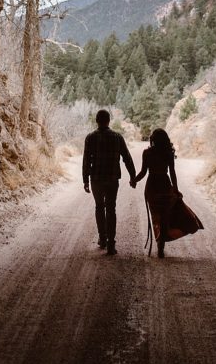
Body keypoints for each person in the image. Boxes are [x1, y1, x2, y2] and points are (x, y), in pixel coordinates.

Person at [135, 128, 203, 258]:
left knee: (156, 216)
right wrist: (176, 189)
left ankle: (160, 241)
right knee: (165, 216)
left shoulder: (147, 153)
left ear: (153, 140)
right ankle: (161, 247)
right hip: (165, 185)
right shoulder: (168, 153)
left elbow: (143, 172)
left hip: (152, 186)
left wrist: (134, 180)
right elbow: (172, 173)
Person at [83, 109, 136, 256]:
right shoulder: (117, 137)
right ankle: (111, 244)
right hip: (112, 179)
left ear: (97, 121)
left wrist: (85, 180)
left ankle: (102, 238)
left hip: (96, 179)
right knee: (111, 208)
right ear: (109, 120)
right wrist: (133, 176)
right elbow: (127, 158)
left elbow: (86, 160)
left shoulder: (90, 138)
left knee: (99, 207)